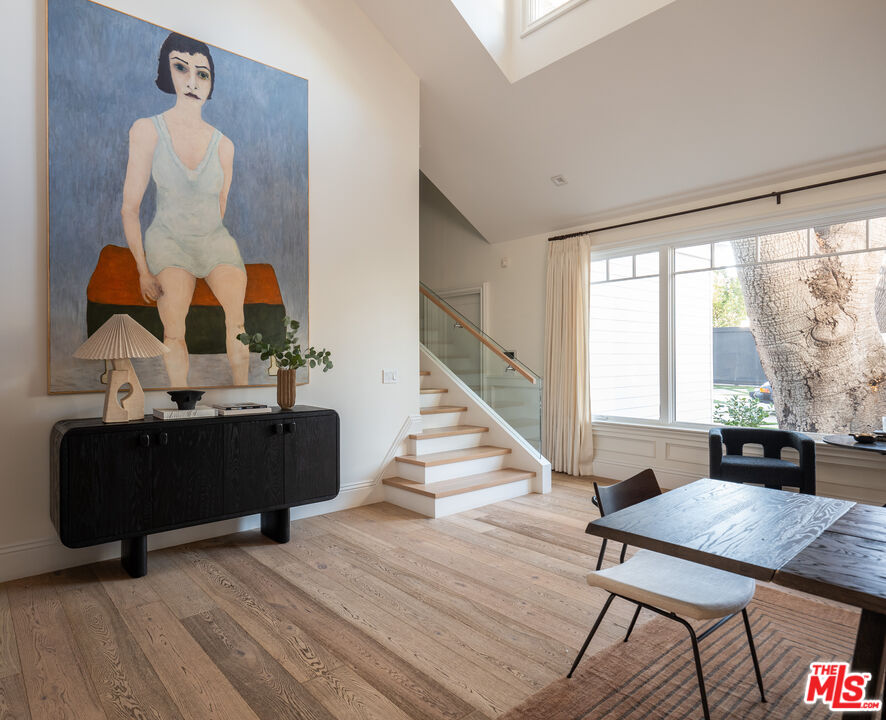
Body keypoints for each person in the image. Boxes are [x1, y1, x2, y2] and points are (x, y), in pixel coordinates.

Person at [121, 32, 248, 387]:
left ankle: (244, 397)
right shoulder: (147, 130)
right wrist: (143, 270)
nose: (192, 81)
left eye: (202, 74)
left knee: (237, 322)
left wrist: (205, 239)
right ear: (168, 72)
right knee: (174, 328)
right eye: (181, 68)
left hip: (213, 240)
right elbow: (130, 209)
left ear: (210, 84)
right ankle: (180, 402)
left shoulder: (225, 145)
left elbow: (219, 204)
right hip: (169, 241)